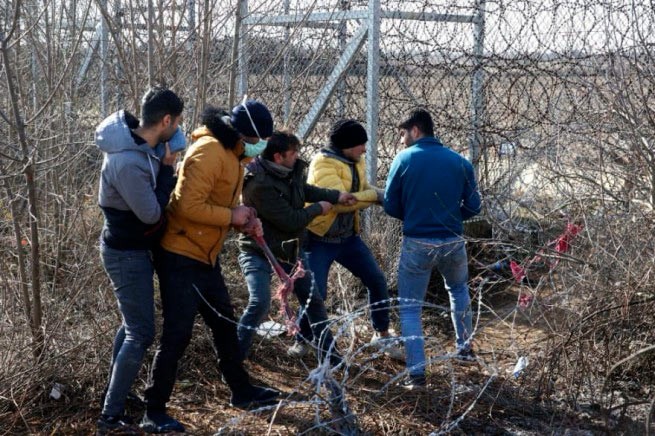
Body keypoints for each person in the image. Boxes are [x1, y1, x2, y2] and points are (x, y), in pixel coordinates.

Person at [140, 101, 280, 433]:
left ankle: (241, 391)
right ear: (245, 134)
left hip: (204, 254)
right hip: (180, 254)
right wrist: (231, 216)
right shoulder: (209, 152)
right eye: (260, 139)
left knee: (224, 325)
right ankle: (153, 410)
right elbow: (186, 205)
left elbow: (214, 203)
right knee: (177, 334)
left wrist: (243, 218)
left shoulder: (231, 154)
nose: (261, 147)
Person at [95, 87, 183, 434]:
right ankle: (110, 418)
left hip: (132, 250)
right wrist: (167, 172)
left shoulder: (141, 147)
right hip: (125, 253)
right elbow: (149, 214)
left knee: (132, 325)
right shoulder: (127, 161)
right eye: (177, 122)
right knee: (141, 331)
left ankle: (113, 398)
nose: (179, 129)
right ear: (166, 121)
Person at [236, 130, 356, 363]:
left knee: (313, 301)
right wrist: (318, 209)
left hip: (289, 250)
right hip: (259, 251)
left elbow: (305, 191)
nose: (298, 156)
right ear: (279, 157)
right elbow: (290, 220)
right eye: (293, 153)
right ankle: (234, 357)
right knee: (259, 302)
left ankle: (331, 356)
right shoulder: (259, 184)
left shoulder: (291, 171)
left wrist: (335, 196)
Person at [384, 108, 481, 390]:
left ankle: (417, 376)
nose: (401, 141)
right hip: (453, 240)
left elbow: (390, 205)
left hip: (417, 242)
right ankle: (465, 350)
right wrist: (448, 217)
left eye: (403, 134)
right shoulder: (460, 162)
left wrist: (416, 215)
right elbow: (474, 206)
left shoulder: (403, 160)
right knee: (459, 290)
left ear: (415, 130)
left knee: (411, 309)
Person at [303, 119, 402, 359]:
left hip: (348, 239)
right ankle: (303, 340)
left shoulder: (355, 160)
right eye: (360, 144)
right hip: (320, 239)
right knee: (316, 294)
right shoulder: (323, 163)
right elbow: (343, 203)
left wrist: (373, 194)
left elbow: (360, 191)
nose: (365, 149)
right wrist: (376, 196)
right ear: (346, 145)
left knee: (377, 280)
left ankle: (382, 333)